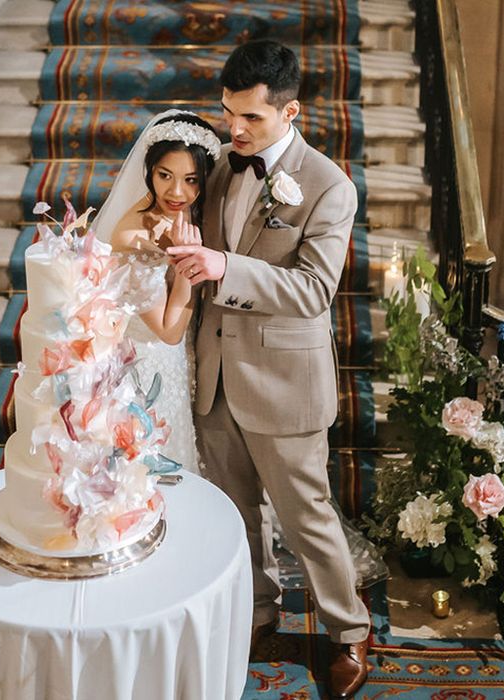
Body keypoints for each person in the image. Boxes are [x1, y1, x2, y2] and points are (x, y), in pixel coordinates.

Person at [167, 40, 371, 699]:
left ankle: (349, 632)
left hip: (285, 385)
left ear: (292, 112)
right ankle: (259, 608)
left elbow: (314, 290)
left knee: (306, 514)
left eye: (251, 118)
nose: (234, 130)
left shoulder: (328, 187)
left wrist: (229, 270)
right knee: (235, 511)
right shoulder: (223, 167)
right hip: (217, 370)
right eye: (228, 114)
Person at [93, 110, 221, 472]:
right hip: (148, 370)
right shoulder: (133, 238)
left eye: (191, 180)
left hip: (182, 363)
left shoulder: (186, 213)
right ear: (148, 170)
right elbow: (168, 330)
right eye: (165, 175)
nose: (177, 192)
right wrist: (186, 263)